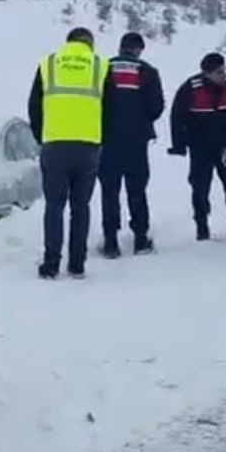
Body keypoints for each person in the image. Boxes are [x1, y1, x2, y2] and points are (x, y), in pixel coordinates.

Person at [28, 27, 109, 279]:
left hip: (54, 145)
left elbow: (34, 106)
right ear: (90, 44)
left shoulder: (49, 64)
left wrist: (42, 136)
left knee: (54, 206)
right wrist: (101, 137)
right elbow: (110, 107)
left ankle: (51, 264)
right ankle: (77, 264)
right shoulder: (100, 65)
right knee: (80, 206)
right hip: (88, 146)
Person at [99, 32, 165, 258]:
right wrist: (140, 119)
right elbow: (156, 107)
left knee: (110, 192)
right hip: (137, 141)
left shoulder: (104, 69)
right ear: (139, 50)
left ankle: (110, 243)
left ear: (121, 47)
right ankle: (140, 240)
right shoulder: (148, 71)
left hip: (108, 140)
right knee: (137, 190)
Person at [168, 52, 226, 241]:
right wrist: (179, 145)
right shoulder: (190, 88)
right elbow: (177, 117)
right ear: (206, 73)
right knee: (200, 189)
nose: (223, 75)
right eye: (218, 72)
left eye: (224, 70)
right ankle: (202, 229)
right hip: (200, 148)